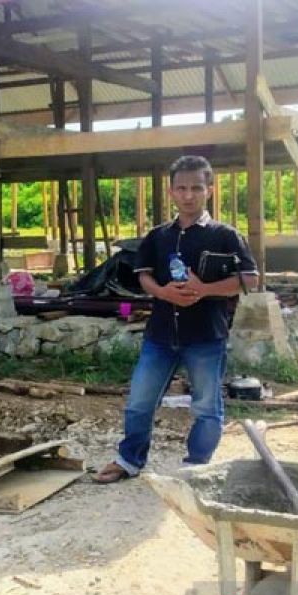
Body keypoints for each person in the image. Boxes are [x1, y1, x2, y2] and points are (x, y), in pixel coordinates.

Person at [95, 155, 259, 484]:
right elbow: (144, 278)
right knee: (140, 400)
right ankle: (128, 460)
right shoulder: (158, 237)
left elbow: (250, 278)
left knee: (206, 406)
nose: (188, 195)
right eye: (181, 188)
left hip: (205, 335)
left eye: (196, 188)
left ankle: (196, 467)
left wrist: (205, 289)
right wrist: (163, 293)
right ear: (171, 192)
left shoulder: (225, 236)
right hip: (160, 334)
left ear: (210, 191)